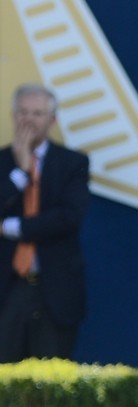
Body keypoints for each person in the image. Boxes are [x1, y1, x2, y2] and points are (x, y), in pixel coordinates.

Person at [1, 84, 91, 363]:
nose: (29, 119)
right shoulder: (2, 161)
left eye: (37, 113)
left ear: (52, 120)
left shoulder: (72, 163)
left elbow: (67, 218)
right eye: (23, 112)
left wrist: (10, 228)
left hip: (53, 291)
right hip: (8, 289)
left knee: (49, 384)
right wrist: (22, 171)